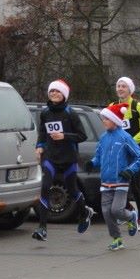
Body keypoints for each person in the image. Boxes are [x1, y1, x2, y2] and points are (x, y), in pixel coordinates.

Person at [32, 80, 93, 242]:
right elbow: (43, 133)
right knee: (45, 188)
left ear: (64, 95)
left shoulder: (70, 113)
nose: (54, 94)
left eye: (57, 92)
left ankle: (84, 212)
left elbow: (82, 136)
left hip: (68, 157)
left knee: (73, 190)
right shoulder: (45, 113)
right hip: (51, 157)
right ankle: (42, 229)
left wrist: (64, 136)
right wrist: (39, 146)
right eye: (51, 91)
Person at [86, 103, 140, 250]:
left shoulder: (125, 137)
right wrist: (92, 163)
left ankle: (132, 216)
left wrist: (130, 170)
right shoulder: (104, 137)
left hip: (121, 181)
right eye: (103, 119)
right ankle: (117, 238)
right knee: (106, 212)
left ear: (115, 120)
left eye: (106, 118)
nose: (104, 121)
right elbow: (99, 156)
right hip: (106, 181)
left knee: (116, 210)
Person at [110, 76, 140, 230]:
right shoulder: (112, 106)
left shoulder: (138, 106)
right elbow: (109, 127)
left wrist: (130, 143)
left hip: (135, 152)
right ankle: (130, 212)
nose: (120, 89)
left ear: (130, 89)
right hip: (120, 153)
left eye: (123, 86)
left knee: (135, 186)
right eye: (118, 86)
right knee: (118, 185)